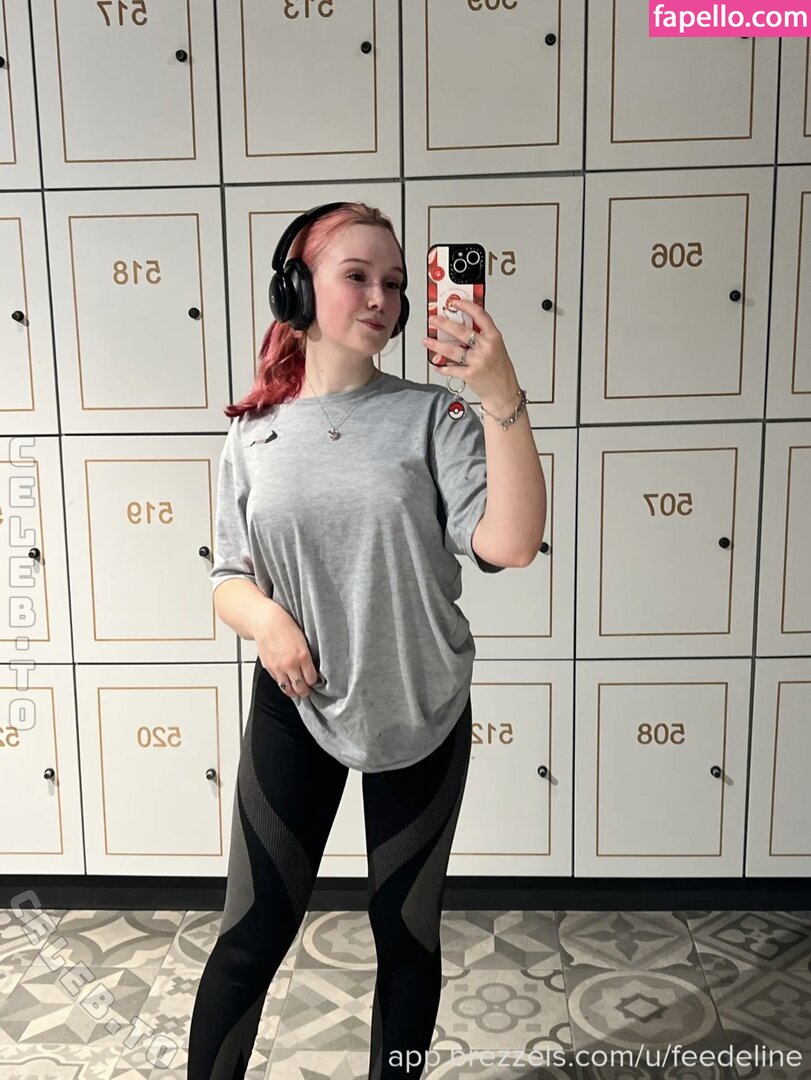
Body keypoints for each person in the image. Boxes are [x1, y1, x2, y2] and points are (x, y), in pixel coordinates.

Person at [187, 202, 529, 1080]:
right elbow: (228, 575)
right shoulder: (252, 433)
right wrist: (267, 622)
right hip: (296, 703)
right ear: (296, 290)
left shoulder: (434, 417)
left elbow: (511, 543)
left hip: (418, 704)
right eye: (357, 276)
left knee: (404, 936)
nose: (381, 297)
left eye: (395, 282)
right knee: (250, 936)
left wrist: (501, 399)